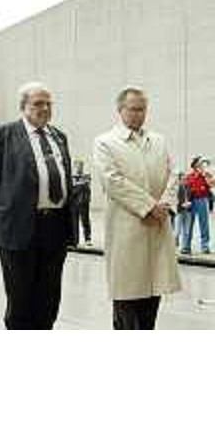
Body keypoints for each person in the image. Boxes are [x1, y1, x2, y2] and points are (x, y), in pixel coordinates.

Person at [0, 82, 74, 330]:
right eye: (37, 103)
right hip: (19, 230)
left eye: (48, 103)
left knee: (49, 300)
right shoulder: (2, 136)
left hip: (55, 229)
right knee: (21, 303)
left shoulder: (59, 137)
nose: (44, 108)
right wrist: (4, 219)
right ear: (23, 107)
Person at [93, 87, 181, 330]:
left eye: (143, 109)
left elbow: (173, 173)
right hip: (128, 231)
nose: (139, 114)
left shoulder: (158, 140)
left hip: (158, 228)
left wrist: (165, 204)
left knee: (152, 300)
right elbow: (113, 181)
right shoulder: (105, 143)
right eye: (133, 109)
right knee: (127, 303)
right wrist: (150, 206)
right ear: (120, 110)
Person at [182, 156, 213, 254]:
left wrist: (205, 175)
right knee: (189, 224)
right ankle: (186, 246)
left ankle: (205, 246)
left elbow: (212, 184)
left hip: (202, 200)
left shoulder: (206, 175)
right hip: (191, 201)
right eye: (200, 163)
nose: (202, 165)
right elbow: (185, 189)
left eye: (202, 163)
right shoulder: (189, 176)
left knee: (204, 223)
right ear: (195, 165)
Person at [71, 160, 92, 246]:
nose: (79, 168)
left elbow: (87, 186)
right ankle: (75, 240)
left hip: (84, 203)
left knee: (85, 221)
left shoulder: (85, 177)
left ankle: (88, 239)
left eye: (81, 166)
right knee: (74, 222)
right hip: (75, 203)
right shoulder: (72, 178)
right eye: (78, 166)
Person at [174, 171, 192, 249]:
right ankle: (175, 244)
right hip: (180, 211)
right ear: (179, 180)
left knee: (187, 231)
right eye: (183, 179)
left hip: (188, 211)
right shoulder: (177, 188)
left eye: (186, 179)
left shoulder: (188, 188)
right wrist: (181, 204)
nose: (185, 181)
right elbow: (175, 200)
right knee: (177, 230)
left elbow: (190, 197)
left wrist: (189, 203)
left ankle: (184, 247)